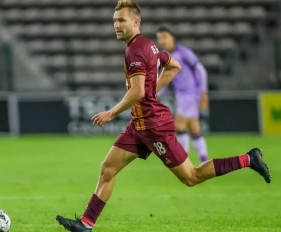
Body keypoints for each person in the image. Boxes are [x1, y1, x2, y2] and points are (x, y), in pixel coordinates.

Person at [56, 1, 271, 231]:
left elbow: (138, 91)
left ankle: (248, 159)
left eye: (121, 20)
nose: (116, 25)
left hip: (153, 125)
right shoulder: (150, 46)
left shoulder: (135, 51)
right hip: (138, 125)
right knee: (107, 168)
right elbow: (174, 66)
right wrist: (153, 89)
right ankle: (86, 224)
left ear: (135, 22)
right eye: (114, 21)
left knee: (192, 176)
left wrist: (111, 112)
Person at [156, 26, 209, 163]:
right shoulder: (164, 56)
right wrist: (156, 93)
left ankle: (182, 163)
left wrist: (203, 92)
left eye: (164, 36)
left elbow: (201, 70)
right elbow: (165, 79)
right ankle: (204, 160)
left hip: (190, 93)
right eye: (159, 38)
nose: (162, 40)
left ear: (172, 37)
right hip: (182, 95)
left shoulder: (183, 52)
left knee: (179, 127)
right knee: (194, 128)